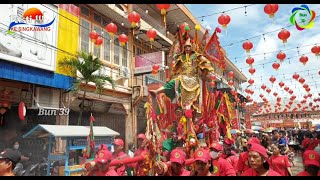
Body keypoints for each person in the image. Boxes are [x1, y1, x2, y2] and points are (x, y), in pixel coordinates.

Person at [149, 38, 214, 114]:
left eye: (189, 46)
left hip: (193, 79)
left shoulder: (197, 56)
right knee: (173, 82)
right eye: (185, 47)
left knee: (190, 101)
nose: (187, 48)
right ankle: (157, 91)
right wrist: (169, 77)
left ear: (191, 47)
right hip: (182, 77)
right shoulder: (181, 58)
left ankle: (188, 111)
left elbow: (206, 63)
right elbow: (174, 69)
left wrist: (203, 72)